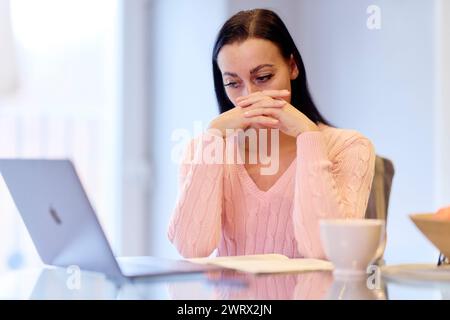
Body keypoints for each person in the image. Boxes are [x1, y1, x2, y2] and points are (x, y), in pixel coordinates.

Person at [168, 9, 375, 259]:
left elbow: (325, 252)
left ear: (292, 67)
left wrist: (309, 137)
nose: (250, 96)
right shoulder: (205, 148)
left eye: (263, 77)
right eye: (233, 83)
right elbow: (192, 248)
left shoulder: (349, 147)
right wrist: (213, 136)